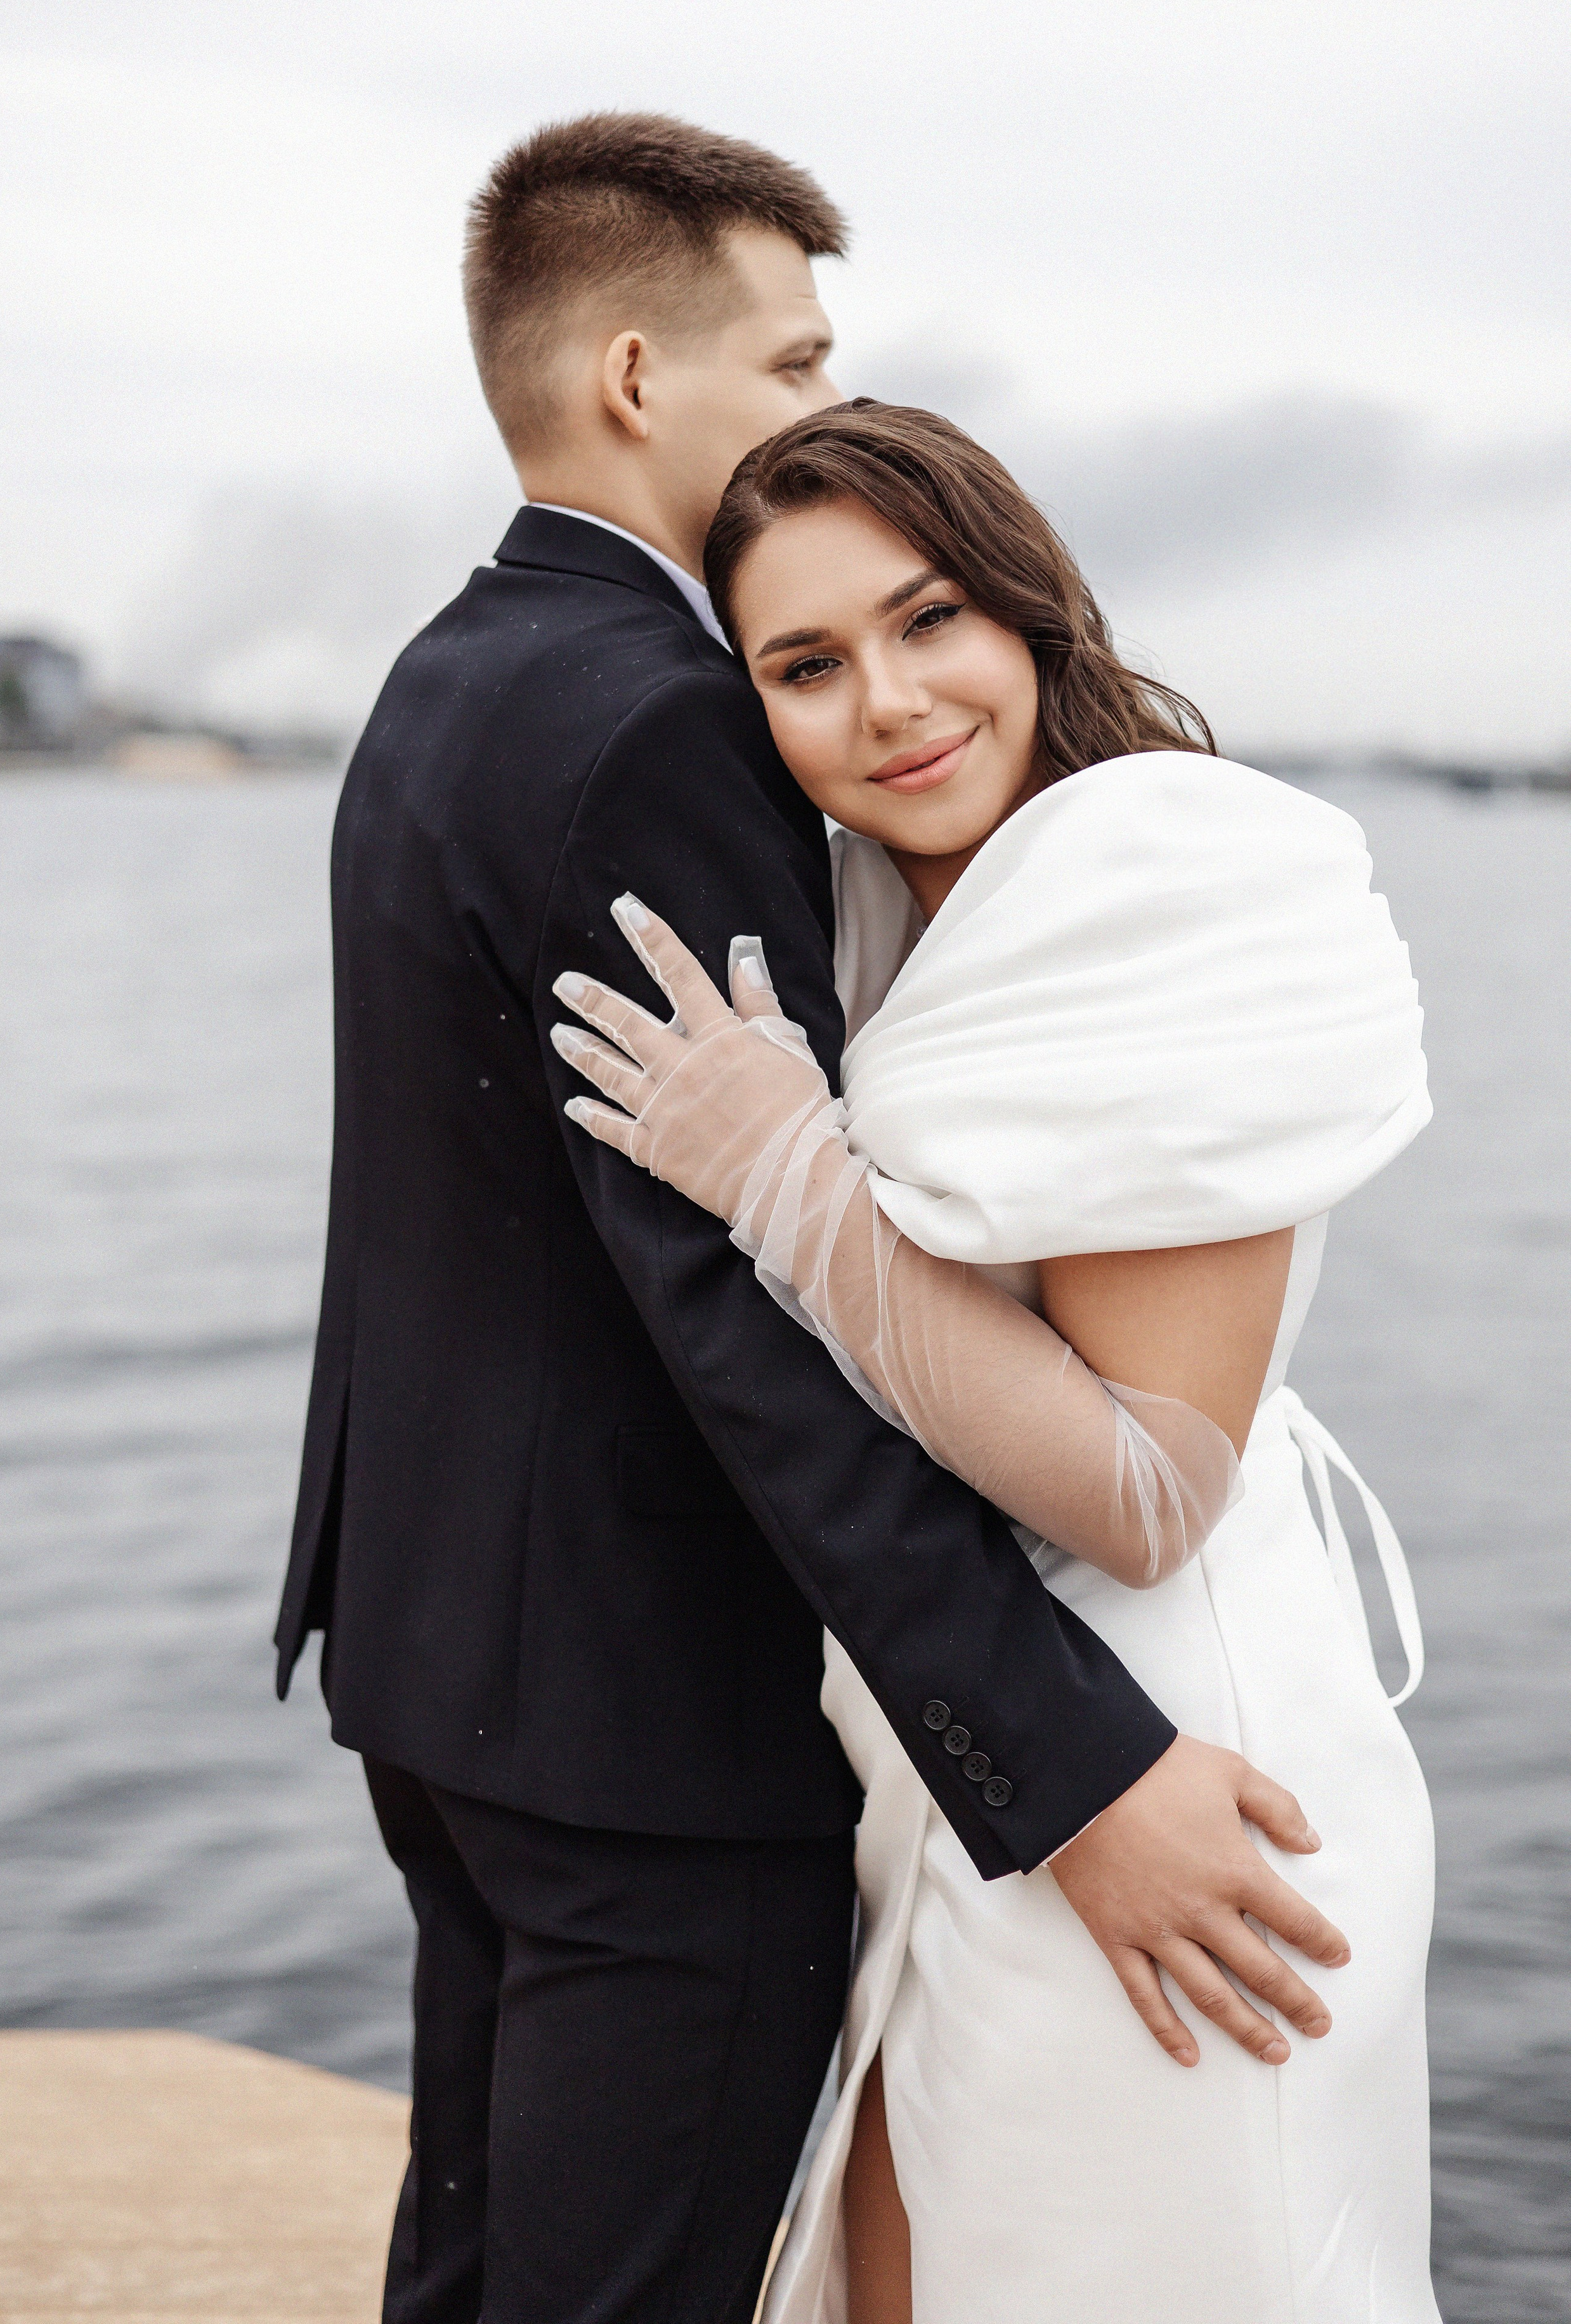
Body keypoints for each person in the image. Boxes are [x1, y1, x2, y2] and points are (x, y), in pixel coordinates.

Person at [277, 117, 1350, 2324]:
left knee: (483, 2276)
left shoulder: (445, 674)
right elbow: (728, 1316)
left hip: (443, 1660)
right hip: (646, 1720)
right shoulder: (656, 721)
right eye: (793, 363)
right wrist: (1063, 1776)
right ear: (647, 374)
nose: (822, 407)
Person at [552, 399, 1440, 2321]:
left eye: (931, 616)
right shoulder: (897, 897)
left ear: (1029, 609)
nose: (885, 700)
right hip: (978, 1727)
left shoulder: (1155, 881)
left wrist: (790, 1180)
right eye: (806, 663)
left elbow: (1145, 1491)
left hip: (1167, 1738)